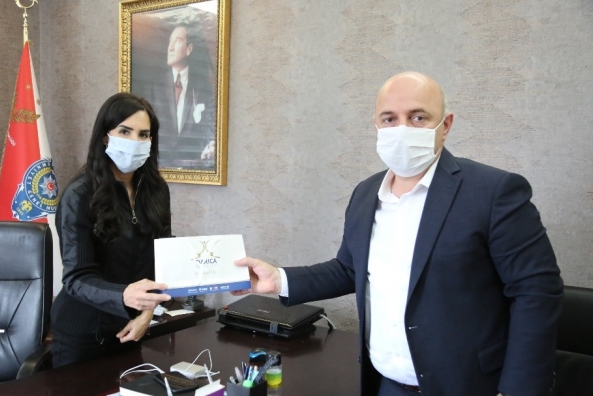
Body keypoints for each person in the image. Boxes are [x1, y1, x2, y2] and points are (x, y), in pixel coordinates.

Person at [232, 72, 563, 396]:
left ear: (445, 125)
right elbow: (349, 269)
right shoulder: (365, 193)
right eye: (389, 119)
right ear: (377, 126)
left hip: (468, 385)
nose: (402, 129)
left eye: (418, 117)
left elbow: (536, 292)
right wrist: (279, 280)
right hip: (386, 384)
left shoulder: (493, 191)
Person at [50, 93, 173, 367]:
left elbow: (161, 258)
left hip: (132, 326)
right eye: (124, 132)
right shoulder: (79, 195)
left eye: (143, 135)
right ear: (105, 137)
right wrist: (123, 295)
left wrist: (146, 313)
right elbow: (77, 277)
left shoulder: (156, 190)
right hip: (83, 333)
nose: (134, 141)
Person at [139, 22, 216, 168]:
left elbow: (209, 127)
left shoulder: (203, 88)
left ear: (189, 49)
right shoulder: (154, 86)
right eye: (170, 41)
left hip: (193, 165)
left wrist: (210, 145)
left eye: (177, 41)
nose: (170, 48)